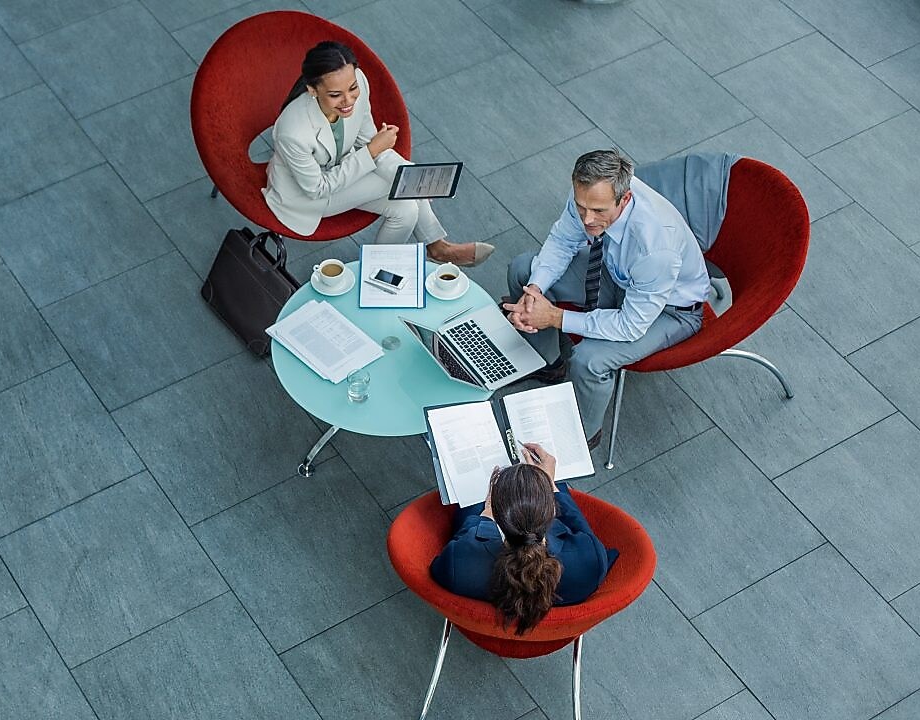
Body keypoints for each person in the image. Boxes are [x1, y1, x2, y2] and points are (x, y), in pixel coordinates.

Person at [504, 150, 709, 447]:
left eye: (598, 211)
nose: (587, 219)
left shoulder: (655, 248)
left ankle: (583, 435)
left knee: (589, 360)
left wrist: (555, 318)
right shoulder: (590, 193)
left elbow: (630, 325)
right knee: (523, 270)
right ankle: (548, 364)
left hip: (671, 310)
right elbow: (563, 241)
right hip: (617, 273)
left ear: (625, 199)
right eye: (581, 207)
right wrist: (535, 289)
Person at [263, 41, 493, 266]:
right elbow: (318, 188)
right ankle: (439, 248)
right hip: (305, 196)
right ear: (312, 90)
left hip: (342, 169)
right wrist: (385, 160)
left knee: (406, 210)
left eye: (352, 88)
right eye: (335, 95)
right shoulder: (293, 132)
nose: (348, 100)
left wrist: (409, 173)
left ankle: (378, 272)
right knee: (403, 187)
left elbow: (369, 144)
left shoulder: (359, 83)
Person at [430, 444, 615, 633]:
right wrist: (551, 485)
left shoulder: (457, 564)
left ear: (497, 516)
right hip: (553, 636)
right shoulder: (591, 560)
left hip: (480, 630)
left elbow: (442, 565)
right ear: (553, 512)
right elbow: (578, 524)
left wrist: (485, 516)